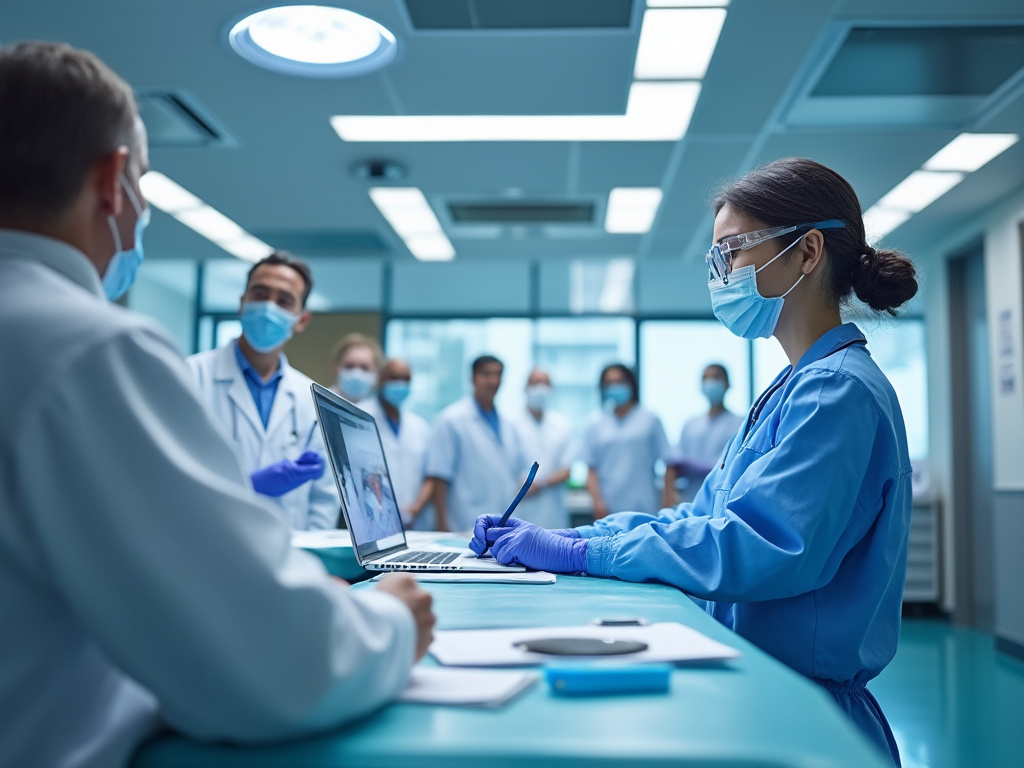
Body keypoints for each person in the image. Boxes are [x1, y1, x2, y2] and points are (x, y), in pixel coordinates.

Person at [0, 42, 434, 768]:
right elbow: (267, 664)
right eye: (142, 181)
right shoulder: (88, 350)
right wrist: (390, 621)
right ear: (113, 182)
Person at [471, 157, 918, 767]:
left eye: (732, 252)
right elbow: (696, 521)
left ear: (808, 252)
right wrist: (574, 537)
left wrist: (586, 553)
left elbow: (754, 547)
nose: (721, 275)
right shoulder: (792, 388)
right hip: (765, 691)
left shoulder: (837, 391)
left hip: (805, 715)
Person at [187, 251, 339, 530]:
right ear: (242, 303)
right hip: (208, 545)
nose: (269, 307)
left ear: (301, 320)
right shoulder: (189, 376)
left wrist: (312, 557)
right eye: (259, 294)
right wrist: (249, 484)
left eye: (284, 301)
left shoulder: (312, 398)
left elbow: (324, 497)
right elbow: (172, 476)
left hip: (292, 554)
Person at [425, 355, 525, 532]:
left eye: (498, 374)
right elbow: (439, 478)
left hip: (499, 526)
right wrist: (442, 526)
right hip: (463, 524)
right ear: (473, 379)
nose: (493, 380)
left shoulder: (508, 424)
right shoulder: (451, 419)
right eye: (486, 374)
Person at [578, 364, 670, 518]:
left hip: (645, 506)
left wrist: (667, 502)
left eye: (620, 381)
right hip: (608, 509)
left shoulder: (650, 420)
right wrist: (597, 503)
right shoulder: (596, 423)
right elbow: (591, 468)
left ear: (631, 384)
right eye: (609, 383)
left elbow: (669, 463)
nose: (615, 387)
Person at [360, 358, 435, 530]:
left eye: (405, 379)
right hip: (371, 521)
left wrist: (414, 509)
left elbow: (431, 476)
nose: (400, 384)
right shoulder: (361, 417)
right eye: (394, 378)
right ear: (380, 379)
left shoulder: (419, 426)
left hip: (413, 522)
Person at [663, 363, 744, 504]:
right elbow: (673, 464)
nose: (710, 383)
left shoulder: (739, 423)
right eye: (706, 378)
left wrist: (706, 467)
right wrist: (669, 497)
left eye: (716, 378)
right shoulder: (690, 424)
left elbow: (739, 463)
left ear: (727, 384)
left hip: (725, 499)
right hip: (691, 499)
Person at [510, 369, 574, 529]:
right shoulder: (510, 423)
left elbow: (566, 470)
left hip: (552, 510)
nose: (540, 388)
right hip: (520, 505)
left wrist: (538, 484)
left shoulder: (562, 425)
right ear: (525, 389)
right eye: (535, 383)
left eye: (545, 384)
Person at [330, 332, 382, 404]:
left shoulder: (378, 411)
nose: (356, 374)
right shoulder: (317, 406)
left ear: (377, 374)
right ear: (335, 369)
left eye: (364, 368)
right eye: (349, 366)